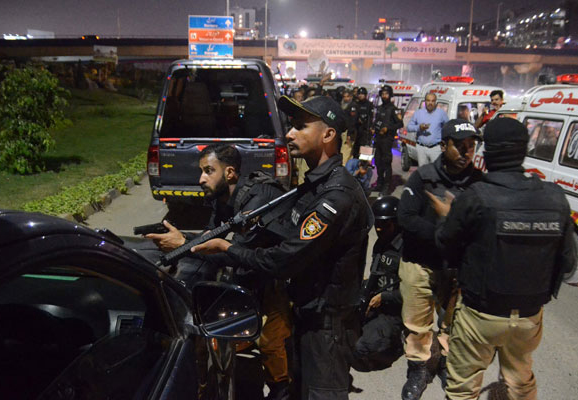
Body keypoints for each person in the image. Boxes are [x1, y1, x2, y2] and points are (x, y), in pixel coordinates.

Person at [191, 95, 373, 400]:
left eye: (301, 126)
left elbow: (286, 258)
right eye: (292, 125)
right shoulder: (313, 186)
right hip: (305, 316)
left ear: (328, 135)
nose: (289, 133)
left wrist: (228, 248)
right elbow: (288, 235)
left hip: (327, 328)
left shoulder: (336, 195)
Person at [428, 117, 576, 400]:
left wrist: (445, 218)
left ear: (489, 152)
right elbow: (567, 264)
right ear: (524, 151)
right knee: (520, 384)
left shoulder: (476, 196)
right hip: (529, 317)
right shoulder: (555, 198)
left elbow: (445, 246)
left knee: (462, 388)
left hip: (480, 315)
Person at [147, 144, 293, 400]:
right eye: (201, 171)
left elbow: (235, 251)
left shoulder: (260, 198)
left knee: (271, 343)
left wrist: (183, 244)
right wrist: (181, 248)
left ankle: (283, 389)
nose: (201, 179)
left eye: (208, 171)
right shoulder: (223, 198)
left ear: (230, 173)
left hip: (280, 278)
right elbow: (211, 239)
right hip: (250, 275)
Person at [397, 119, 483, 400]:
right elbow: (406, 218)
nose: (466, 152)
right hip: (421, 262)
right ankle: (419, 369)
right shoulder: (423, 178)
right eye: (459, 146)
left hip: (458, 269)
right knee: (417, 322)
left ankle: (445, 362)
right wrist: (443, 234)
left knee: (453, 323)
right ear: (443, 146)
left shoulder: (479, 184)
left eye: (471, 146)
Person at [353, 196, 405, 372]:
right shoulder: (381, 243)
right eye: (377, 225)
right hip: (377, 300)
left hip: (396, 313)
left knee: (360, 348)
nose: (380, 229)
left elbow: (416, 294)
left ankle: (395, 345)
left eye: (385, 225)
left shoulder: (408, 249)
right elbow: (375, 275)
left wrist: (384, 297)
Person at [372, 86, 404, 193]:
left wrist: (387, 128)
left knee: (386, 163)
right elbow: (377, 121)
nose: (384, 96)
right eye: (383, 94)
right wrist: (373, 128)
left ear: (390, 95)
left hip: (387, 139)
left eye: (386, 94)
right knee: (377, 162)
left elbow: (400, 123)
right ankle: (379, 183)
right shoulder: (380, 108)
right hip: (378, 139)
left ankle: (387, 186)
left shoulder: (393, 109)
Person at [407, 93, 449, 166]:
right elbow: (409, 127)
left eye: (433, 101)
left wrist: (445, 143)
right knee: (423, 173)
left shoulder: (441, 113)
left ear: (435, 102)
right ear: (425, 101)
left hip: (436, 149)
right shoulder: (418, 113)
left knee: (436, 172)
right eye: (428, 100)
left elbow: (448, 127)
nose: (430, 103)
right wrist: (419, 127)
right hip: (421, 148)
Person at [350, 87, 374, 158]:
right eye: (359, 94)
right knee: (355, 152)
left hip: (366, 131)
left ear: (365, 95)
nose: (360, 95)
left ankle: (364, 167)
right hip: (356, 131)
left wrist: (370, 127)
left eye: (362, 94)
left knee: (365, 154)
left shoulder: (369, 105)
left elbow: (371, 118)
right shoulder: (355, 104)